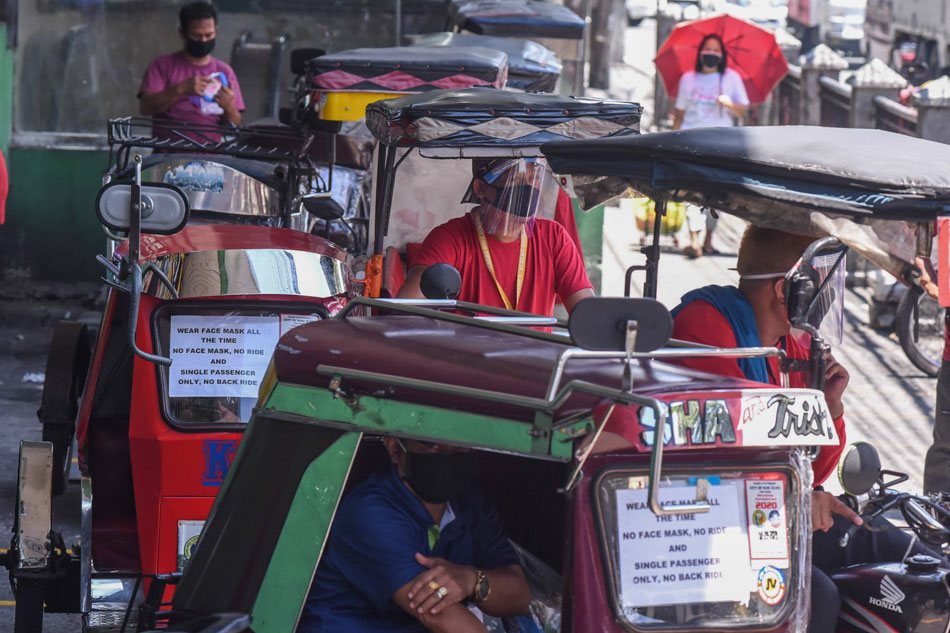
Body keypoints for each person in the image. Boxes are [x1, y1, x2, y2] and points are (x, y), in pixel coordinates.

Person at [671, 225, 940, 633]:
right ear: (787, 290)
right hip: (715, 527)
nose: (825, 300)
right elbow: (720, 458)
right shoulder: (708, 330)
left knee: (905, 558)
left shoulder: (794, 347)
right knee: (818, 596)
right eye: (818, 286)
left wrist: (830, 408)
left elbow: (817, 467)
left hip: (779, 514)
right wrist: (796, 494)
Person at [299, 438, 532, 633]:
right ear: (394, 448)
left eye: (459, 445)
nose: (447, 454)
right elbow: (441, 617)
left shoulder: (470, 501)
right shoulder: (369, 512)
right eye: (431, 444)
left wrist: (472, 579)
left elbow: (518, 596)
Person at [397, 158, 594, 316]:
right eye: (515, 180)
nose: (527, 189)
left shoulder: (554, 238)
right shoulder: (449, 238)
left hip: (535, 361)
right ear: (480, 188)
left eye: (534, 178)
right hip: (471, 362)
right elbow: (405, 311)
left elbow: (588, 313)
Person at [671, 34, 750, 258]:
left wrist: (729, 103)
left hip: (721, 145)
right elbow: (680, 112)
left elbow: (743, 110)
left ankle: (708, 239)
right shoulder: (688, 79)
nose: (712, 54)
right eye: (708, 49)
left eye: (717, 50)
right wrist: (671, 140)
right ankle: (694, 239)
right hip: (691, 142)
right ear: (700, 52)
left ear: (722, 55)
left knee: (717, 195)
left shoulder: (731, 78)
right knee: (692, 192)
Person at [138, 2, 244, 141]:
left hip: (210, 155)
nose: (203, 40)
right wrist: (181, 89)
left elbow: (235, 124)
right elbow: (146, 107)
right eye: (197, 36)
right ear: (182, 33)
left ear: (216, 31)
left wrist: (229, 107)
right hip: (167, 153)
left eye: (209, 35)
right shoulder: (162, 66)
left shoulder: (224, 72)